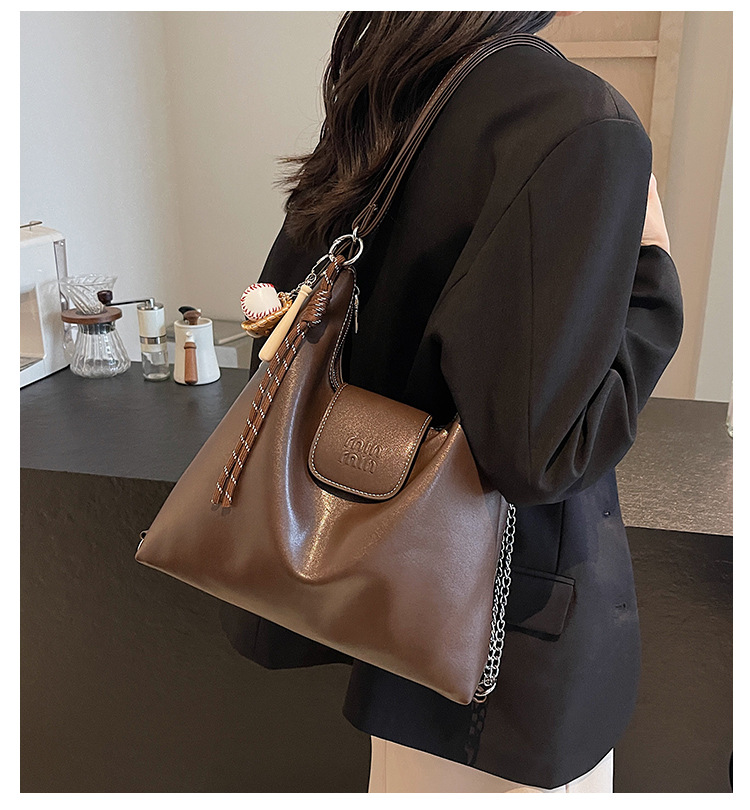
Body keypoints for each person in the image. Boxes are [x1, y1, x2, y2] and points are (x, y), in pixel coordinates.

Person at [220, 10, 683, 792]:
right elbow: (542, 454)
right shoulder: (580, 120)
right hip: (499, 641)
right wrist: (653, 270)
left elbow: (296, 310)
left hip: (389, 604)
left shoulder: (393, 81)